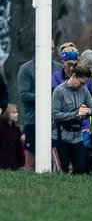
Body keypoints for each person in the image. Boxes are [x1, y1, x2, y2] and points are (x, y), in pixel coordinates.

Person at [17, 40, 61, 169]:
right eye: (47, 48)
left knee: (56, 162)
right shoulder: (26, 69)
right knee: (30, 161)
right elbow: (24, 94)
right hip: (33, 120)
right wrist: (46, 98)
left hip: (55, 121)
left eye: (52, 49)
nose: (50, 51)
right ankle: (26, 187)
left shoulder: (59, 68)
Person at [51, 66, 92, 174]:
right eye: (81, 83)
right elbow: (55, 114)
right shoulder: (59, 91)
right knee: (63, 170)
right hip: (60, 137)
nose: (82, 86)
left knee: (80, 169)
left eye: (84, 84)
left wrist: (87, 111)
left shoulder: (84, 91)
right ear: (74, 76)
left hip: (77, 137)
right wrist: (76, 114)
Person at [0, 104, 25, 171]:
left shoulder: (16, 129)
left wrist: (21, 163)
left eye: (16, 112)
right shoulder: (1, 129)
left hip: (14, 165)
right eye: (13, 113)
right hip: (3, 164)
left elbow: (19, 148)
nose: (16, 114)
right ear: (6, 114)